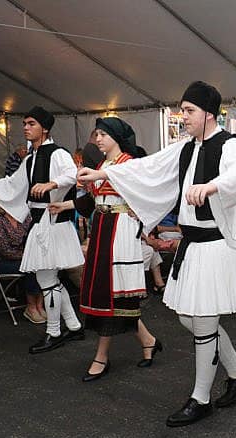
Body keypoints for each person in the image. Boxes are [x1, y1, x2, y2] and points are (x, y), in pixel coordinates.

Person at [77, 81, 236, 426]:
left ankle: (201, 398)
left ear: (210, 113)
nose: (184, 116)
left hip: (215, 246)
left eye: (190, 110)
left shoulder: (231, 144)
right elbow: (145, 167)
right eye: (182, 110)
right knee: (189, 319)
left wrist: (212, 186)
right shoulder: (186, 148)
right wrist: (103, 172)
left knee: (204, 321)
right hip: (193, 247)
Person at [48, 117, 163, 381]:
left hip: (119, 231)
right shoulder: (101, 165)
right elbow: (91, 204)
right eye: (96, 134)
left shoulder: (128, 164)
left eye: (102, 134)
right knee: (114, 295)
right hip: (102, 226)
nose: (97, 138)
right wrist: (72, 198)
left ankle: (101, 356)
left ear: (115, 137)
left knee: (112, 295)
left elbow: (138, 192)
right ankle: (148, 341)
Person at [0, 106, 85, 354]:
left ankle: (54, 331)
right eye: (25, 124)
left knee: (46, 279)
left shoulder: (58, 153)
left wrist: (51, 183)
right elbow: (12, 184)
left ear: (45, 128)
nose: (26, 127)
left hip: (54, 223)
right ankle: (72, 326)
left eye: (31, 123)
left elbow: (73, 175)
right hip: (42, 224)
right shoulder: (30, 158)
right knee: (50, 279)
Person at [0, 206, 45, 324]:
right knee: (31, 267)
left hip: (26, 257)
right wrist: (29, 256)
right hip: (4, 261)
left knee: (43, 266)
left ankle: (40, 306)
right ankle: (31, 307)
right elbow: (5, 252)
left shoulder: (25, 219)